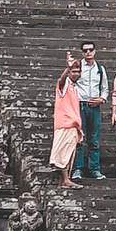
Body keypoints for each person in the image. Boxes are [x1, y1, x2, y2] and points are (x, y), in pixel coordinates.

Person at [74, 47, 109, 182]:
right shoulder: (78, 67)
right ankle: (78, 168)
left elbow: (105, 87)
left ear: (95, 51)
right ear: (82, 53)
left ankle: (94, 168)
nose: (88, 52)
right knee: (79, 138)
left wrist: (102, 99)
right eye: (85, 50)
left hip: (94, 106)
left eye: (90, 49)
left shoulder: (100, 69)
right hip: (80, 104)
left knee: (94, 139)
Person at [50, 55, 84, 187]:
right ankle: (65, 179)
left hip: (73, 124)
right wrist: (67, 68)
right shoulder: (64, 85)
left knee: (69, 152)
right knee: (63, 152)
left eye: (77, 71)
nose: (76, 74)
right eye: (73, 71)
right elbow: (61, 80)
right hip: (65, 123)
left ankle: (63, 181)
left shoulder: (75, 88)